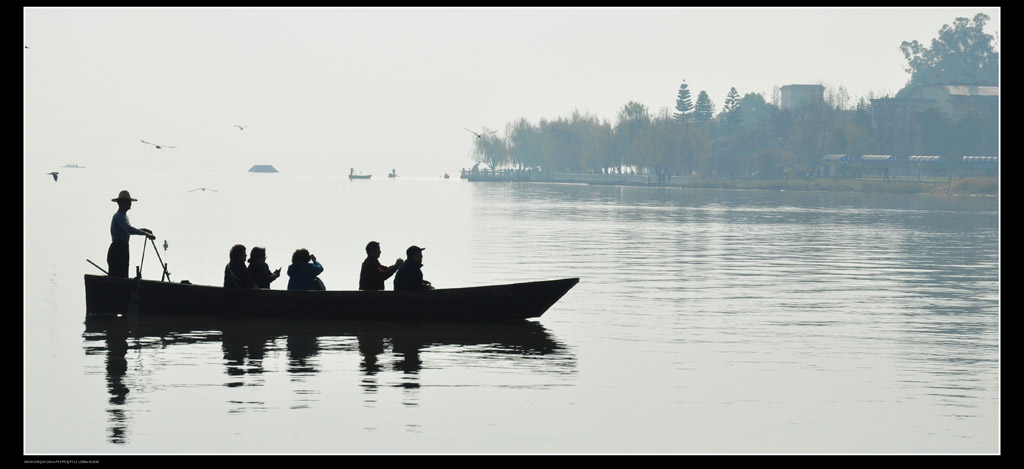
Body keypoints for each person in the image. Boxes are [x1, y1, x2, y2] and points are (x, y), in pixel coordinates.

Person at [107, 190, 155, 278]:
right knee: (118, 276)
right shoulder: (119, 216)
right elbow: (128, 229)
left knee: (123, 274)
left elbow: (128, 230)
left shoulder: (124, 216)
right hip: (118, 249)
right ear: (121, 203)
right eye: (128, 201)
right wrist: (146, 234)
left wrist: (144, 230)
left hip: (123, 248)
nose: (130, 204)